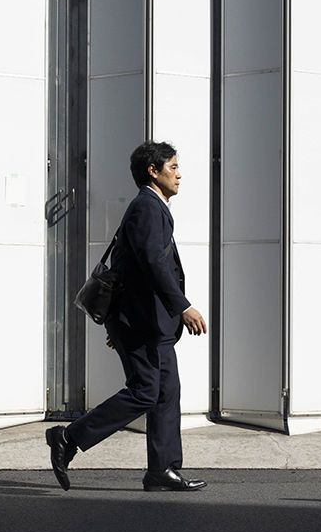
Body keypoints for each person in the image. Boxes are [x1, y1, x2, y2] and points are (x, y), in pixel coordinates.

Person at [46, 140, 209, 492]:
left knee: (166, 392)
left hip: (146, 323)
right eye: (173, 167)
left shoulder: (152, 207)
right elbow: (152, 264)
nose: (179, 174)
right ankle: (68, 437)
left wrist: (121, 319)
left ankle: (162, 469)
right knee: (146, 391)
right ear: (153, 171)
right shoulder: (147, 208)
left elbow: (128, 269)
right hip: (143, 324)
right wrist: (183, 306)